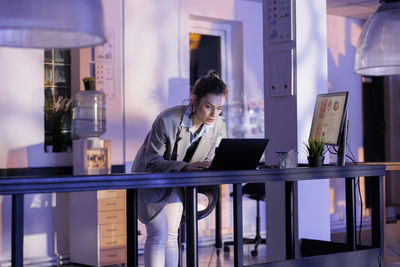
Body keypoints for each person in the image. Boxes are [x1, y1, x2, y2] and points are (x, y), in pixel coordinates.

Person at [132, 70, 228, 267]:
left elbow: (210, 158)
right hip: (150, 176)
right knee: (157, 233)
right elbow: (152, 161)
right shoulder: (167, 120)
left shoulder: (218, 125)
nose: (214, 114)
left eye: (219, 108)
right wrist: (185, 167)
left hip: (178, 178)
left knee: (171, 234)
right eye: (208, 106)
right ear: (195, 101)